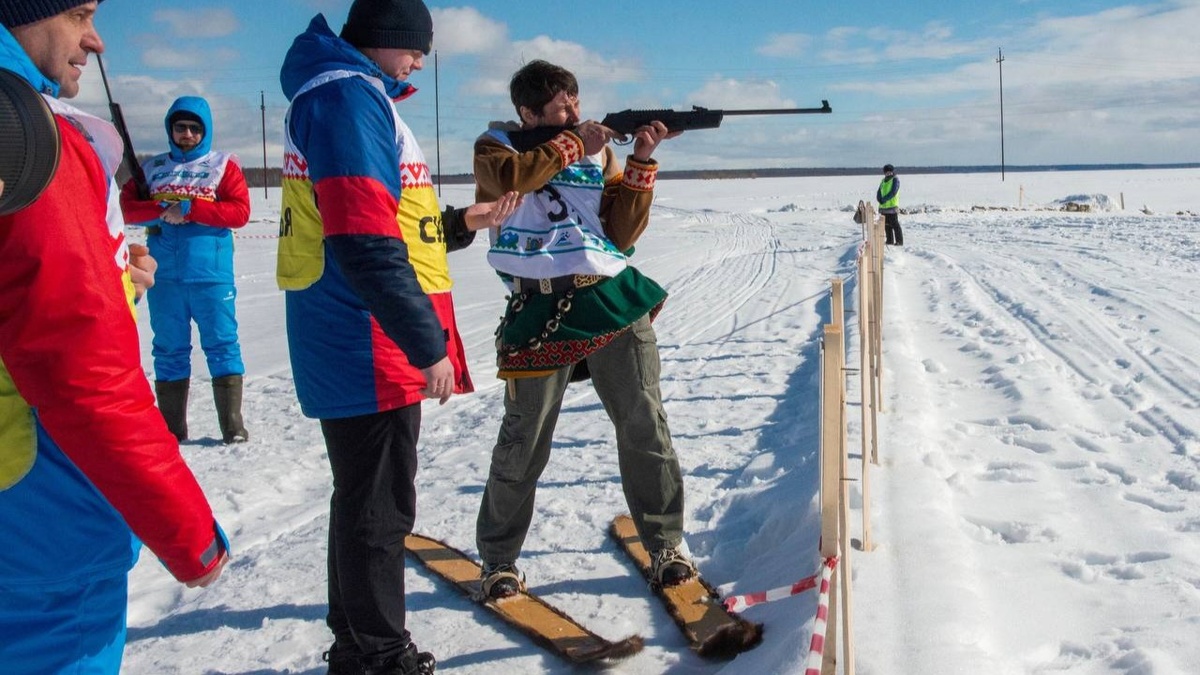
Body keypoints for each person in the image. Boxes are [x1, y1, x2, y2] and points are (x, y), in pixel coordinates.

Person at [278, 2, 518, 673]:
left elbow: (388, 223)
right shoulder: (347, 98)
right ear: (383, 41)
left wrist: (458, 222)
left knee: (364, 498)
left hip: (361, 331)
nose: (419, 61)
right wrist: (426, 344)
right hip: (364, 336)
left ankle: (357, 645)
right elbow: (362, 241)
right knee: (380, 507)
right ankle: (381, 655)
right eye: (414, 49)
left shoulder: (347, 94)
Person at [0, 3, 229, 674]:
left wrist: (108, 274)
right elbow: (82, 369)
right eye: (78, 14)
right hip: (40, 520)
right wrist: (187, 532)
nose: (95, 39)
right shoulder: (27, 131)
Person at [471, 59, 696, 601]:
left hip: (611, 298)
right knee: (523, 441)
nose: (573, 113)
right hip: (539, 310)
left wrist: (641, 160)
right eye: (559, 108)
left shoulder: (601, 152)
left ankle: (665, 544)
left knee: (645, 425)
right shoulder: (495, 147)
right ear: (527, 113)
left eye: (575, 102)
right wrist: (572, 143)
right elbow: (508, 180)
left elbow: (620, 232)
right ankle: (498, 560)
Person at [120, 95, 252, 444]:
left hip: (210, 274)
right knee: (168, 348)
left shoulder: (223, 166)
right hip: (164, 276)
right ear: (171, 129)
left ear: (205, 130)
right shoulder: (151, 168)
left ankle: (232, 426)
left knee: (222, 344)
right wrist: (160, 208)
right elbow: (127, 208)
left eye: (195, 128)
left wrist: (191, 209)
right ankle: (171, 429)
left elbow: (239, 212)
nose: (188, 134)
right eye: (181, 127)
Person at [877, 163, 903, 246]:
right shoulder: (883, 181)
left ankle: (899, 241)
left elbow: (893, 192)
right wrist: (879, 198)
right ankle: (889, 240)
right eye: (886, 172)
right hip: (884, 207)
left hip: (892, 206)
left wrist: (884, 199)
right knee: (886, 224)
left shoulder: (895, 180)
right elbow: (879, 191)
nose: (888, 173)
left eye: (890, 172)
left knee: (895, 224)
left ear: (892, 172)